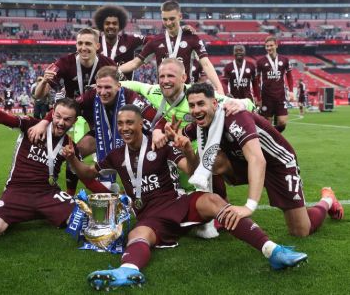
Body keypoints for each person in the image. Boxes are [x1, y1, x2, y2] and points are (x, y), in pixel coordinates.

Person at [62, 105, 307, 291]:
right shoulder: (116, 155)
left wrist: (188, 151)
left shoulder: (161, 146)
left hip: (175, 202)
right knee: (137, 236)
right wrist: (73, 158)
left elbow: (191, 170)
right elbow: (88, 173)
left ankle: (273, 251)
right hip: (149, 215)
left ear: (141, 125)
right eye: (121, 123)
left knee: (212, 200)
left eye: (130, 123)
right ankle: (127, 271)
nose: (125, 128)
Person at [181, 83, 344, 238]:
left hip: (278, 163)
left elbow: (257, 160)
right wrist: (169, 137)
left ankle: (327, 200)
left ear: (215, 103)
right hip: (243, 163)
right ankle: (220, 208)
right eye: (192, 105)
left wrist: (249, 206)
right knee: (212, 159)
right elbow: (180, 139)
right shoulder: (200, 124)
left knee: (300, 230)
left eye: (201, 104)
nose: (196, 110)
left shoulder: (235, 116)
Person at [121, 58, 255, 238]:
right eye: (162, 76)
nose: (165, 80)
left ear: (184, 77)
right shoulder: (154, 91)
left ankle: (221, 206)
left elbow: (247, 103)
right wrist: (109, 82)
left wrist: (240, 103)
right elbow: (135, 85)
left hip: (195, 154)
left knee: (209, 160)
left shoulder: (197, 97)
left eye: (171, 76)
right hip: (171, 154)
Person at [0, 93, 109, 240]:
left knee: (85, 219)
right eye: (58, 116)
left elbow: (85, 176)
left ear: (75, 121)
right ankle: (25, 213)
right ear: (52, 114)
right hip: (17, 191)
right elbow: (5, 119)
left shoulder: (70, 146)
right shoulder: (32, 125)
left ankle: (44, 211)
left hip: (47, 194)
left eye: (67, 119)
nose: (61, 122)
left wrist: (73, 159)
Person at [28, 66, 167, 195]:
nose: (102, 92)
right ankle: (70, 196)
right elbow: (68, 107)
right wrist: (44, 121)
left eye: (108, 87)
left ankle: (152, 189)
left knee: (146, 158)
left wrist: (158, 131)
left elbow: (159, 119)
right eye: (99, 87)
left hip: (128, 136)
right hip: (102, 135)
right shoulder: (91, 95)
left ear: (118, 86)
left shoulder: (131, 97)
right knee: (74, 154)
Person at [118, 0, 223, 93]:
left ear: (180, 17)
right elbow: (135, 63)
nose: (168, 23)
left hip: (185, 93)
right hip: (163, 93)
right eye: (165, 19)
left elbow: (206, 64)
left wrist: (219, 88)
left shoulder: (192, 38)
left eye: (172, 19)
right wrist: (113, 71)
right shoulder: (155, 41)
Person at [34, 28, 116, 100]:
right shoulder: (64, 62)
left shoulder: (108, 64)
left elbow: (122, 87)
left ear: (97, 46)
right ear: (76, 45)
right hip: (72, 110)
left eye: (88, 44)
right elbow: (38, 96)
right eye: (80, 43)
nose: (83, 48)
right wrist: (44, 81)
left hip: (99, 108)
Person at [93, 5, 147, 79]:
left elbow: (153, 42)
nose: (111, 26)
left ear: (120, 25)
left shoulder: (129, 40)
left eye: (114, 23)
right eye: (107, 23)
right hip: (100, 88)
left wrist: (140, 60)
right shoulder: (95, 42)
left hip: (124, 89)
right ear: (102, 25)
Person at [256, 36, 293, 133]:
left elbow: (289, 76)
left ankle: (273, 137)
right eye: (267, 46)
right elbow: (256, 80)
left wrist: (291, 91)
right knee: (267, 123)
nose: (269, 48)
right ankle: (270, 142)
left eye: (271, 45)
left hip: (280, 96)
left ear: (276, 45)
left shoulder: (284, 60)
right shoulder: (260, 62)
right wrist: (258, 97)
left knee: (282, 122)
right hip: (266, 96)